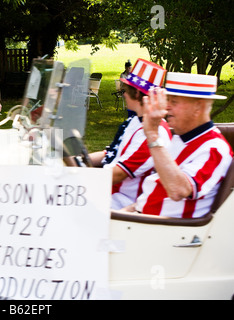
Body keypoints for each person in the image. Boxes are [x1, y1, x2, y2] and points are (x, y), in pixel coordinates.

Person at [127, 72, 233, 218]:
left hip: (165, 232)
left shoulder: (215, 148)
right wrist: (123, 213)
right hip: (142, 222)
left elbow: (178, 190)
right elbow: (155, 194)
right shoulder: (180, 138)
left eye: (174, 102)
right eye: (168, 100)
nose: (167, 107)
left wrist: (152, 135)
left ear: (198, 106)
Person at [88, 58, 172, 210]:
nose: (124, 94)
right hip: (107, 193)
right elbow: (111, 153)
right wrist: (79, 159)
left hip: (119, 204)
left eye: (126, 90)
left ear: (138, 94)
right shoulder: (135, 121)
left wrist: (77, 178)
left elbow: (118, 175)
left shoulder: (153, 133)